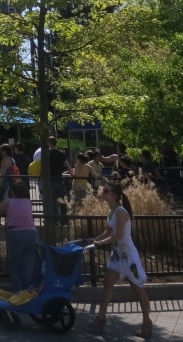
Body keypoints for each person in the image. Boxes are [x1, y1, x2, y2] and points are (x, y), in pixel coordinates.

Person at [86, 181, 152, 337]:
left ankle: (147, 323)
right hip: (117, 254)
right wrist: (94, 239)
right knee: (108, 282)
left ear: (113, 195)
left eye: (105, 191)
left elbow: (119, 235)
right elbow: (108, 231)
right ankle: (101, 318)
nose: (103, 192)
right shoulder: (111, 211)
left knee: (137, 288)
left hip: (128, 254)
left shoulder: (121, 212)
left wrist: (100, 243)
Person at [0, 179, 42, 295]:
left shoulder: (9, 202)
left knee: (14, 265)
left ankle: (18, 292)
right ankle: (27, 291)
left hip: (15, 233)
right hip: (32, 233)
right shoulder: (28, 202)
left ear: (12, 192)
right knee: (27, 265)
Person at [45, 136, 72, 216]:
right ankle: (64, 217)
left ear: (49, 143)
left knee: (52, 200)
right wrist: (71, 174)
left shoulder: (47, 154)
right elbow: (68, 166)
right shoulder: (61, 154)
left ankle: (54, 218)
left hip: (50, 179)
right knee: (61, 199)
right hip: (59, 178)